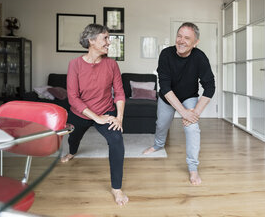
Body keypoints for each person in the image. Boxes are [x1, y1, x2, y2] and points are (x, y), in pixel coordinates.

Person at [61, 24, 128, 205]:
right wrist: (96, 117)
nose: (109, 42)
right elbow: (73, 98)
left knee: (116, 140)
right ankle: (72, 152)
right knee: (73, 139)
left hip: (106, 111)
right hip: (80, 113)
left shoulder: (112, 64)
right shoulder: (74, 65)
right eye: (105, 38)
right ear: (91, 40)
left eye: (108, 38)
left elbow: (119, 93)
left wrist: (119, 117)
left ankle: (116, 188)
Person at [143, 22, 215, 186]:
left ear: (195, 42)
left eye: (187, 38)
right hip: (167, 97)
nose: (181, 41)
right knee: (161, 124)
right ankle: (158, 145)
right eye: (179, 36)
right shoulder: (166, 54)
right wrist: (183, 112)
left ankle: (193, 167)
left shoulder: (200, 57)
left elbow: (210, 86)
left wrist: (193, 113)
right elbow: (165, 87)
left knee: (192, 127)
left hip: (189, 96)